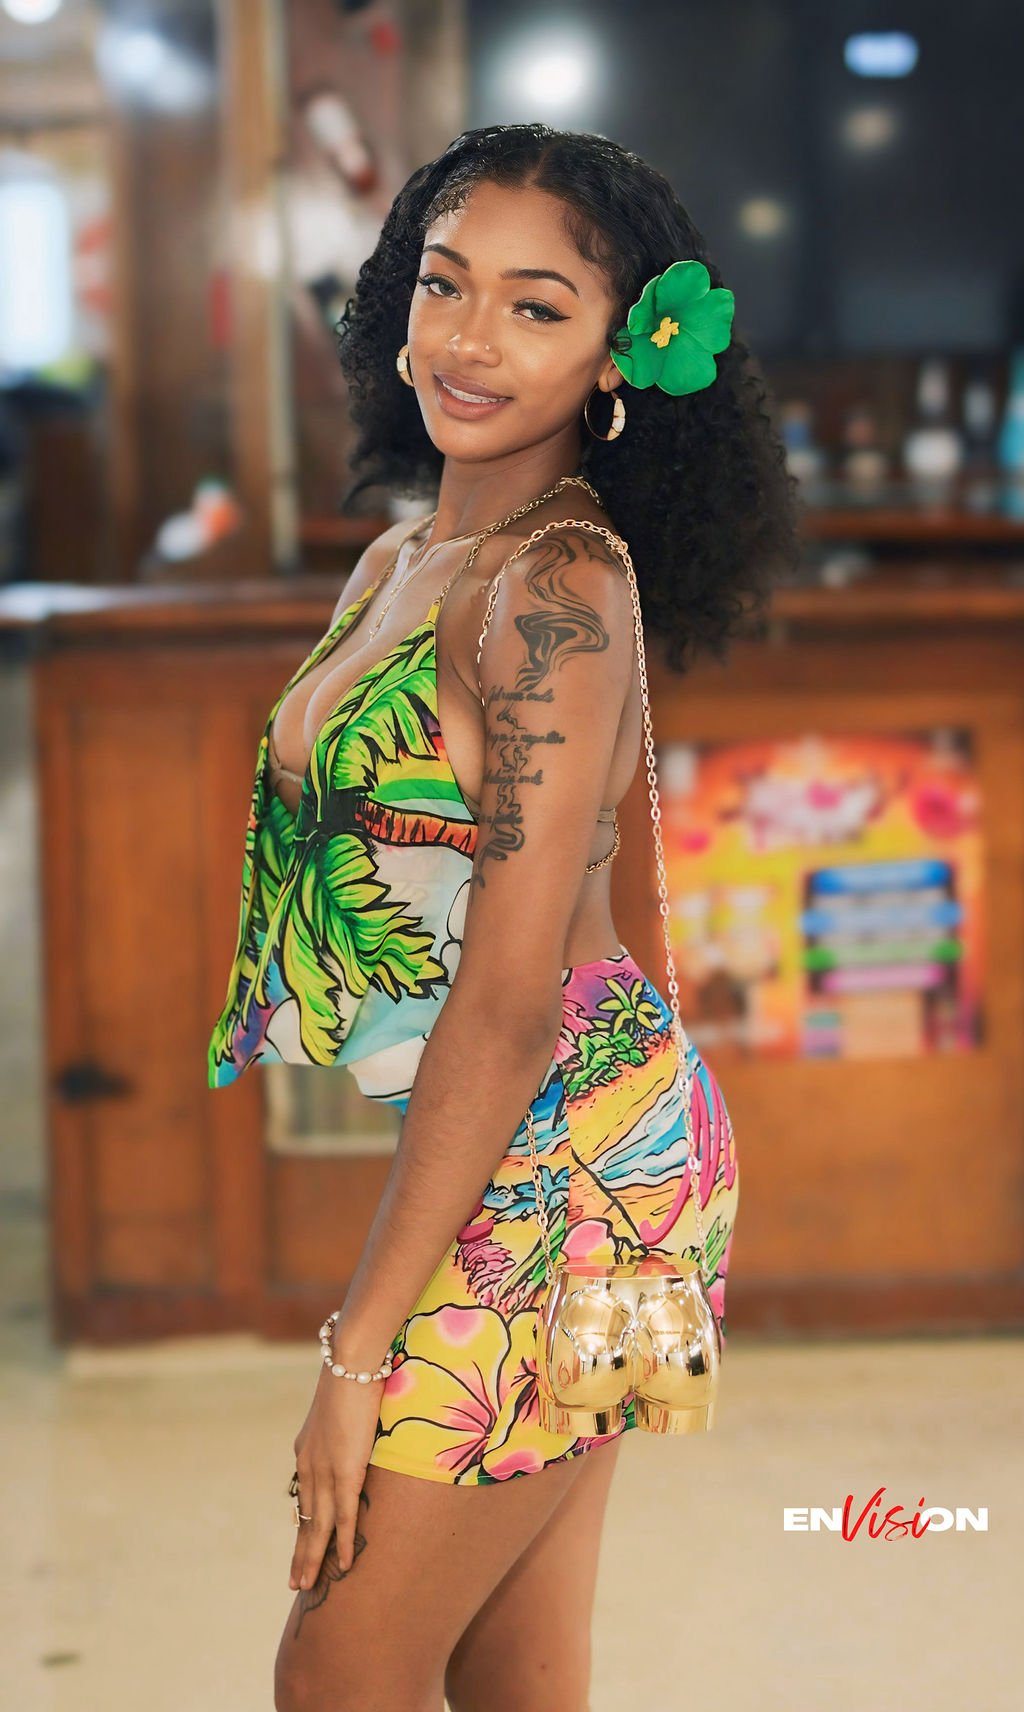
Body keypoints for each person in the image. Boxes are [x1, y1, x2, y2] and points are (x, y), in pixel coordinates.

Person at [207, 122, 800, 1712]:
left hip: (576, 1158)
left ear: (619, 357)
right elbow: (604, 871)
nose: (470, 339)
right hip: (563, 1135)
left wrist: (358, 1354)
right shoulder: (411, 554)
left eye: (537, 307)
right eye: (446, 284)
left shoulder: (553, 590)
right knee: (516, 1674)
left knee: (341, 1667)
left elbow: (510, 1000)